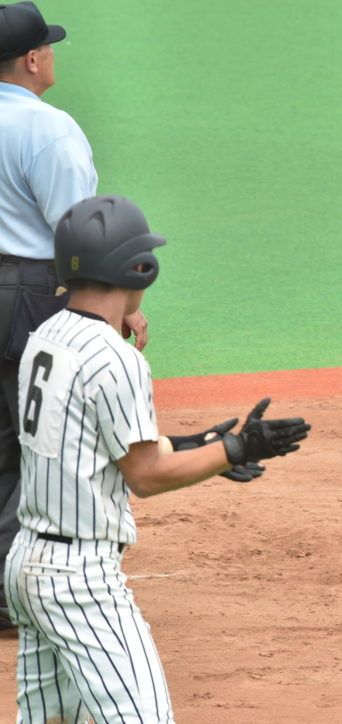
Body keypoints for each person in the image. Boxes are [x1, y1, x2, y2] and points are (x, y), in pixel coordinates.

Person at [3, 194, 312, 722]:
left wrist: (197, 446)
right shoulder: (116, 358)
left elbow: (86, 444)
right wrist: (237, 448)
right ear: (135, 268)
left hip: (24, 564)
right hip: (80, 579)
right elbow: (144, 475)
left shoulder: (44, 338)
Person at [0, 1, 150, 629]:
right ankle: (22, 595)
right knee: (41, 442)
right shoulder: (50, 130)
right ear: (33, 59)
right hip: (30, 295)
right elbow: (85, 237)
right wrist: (120, 310)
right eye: (49, 48)